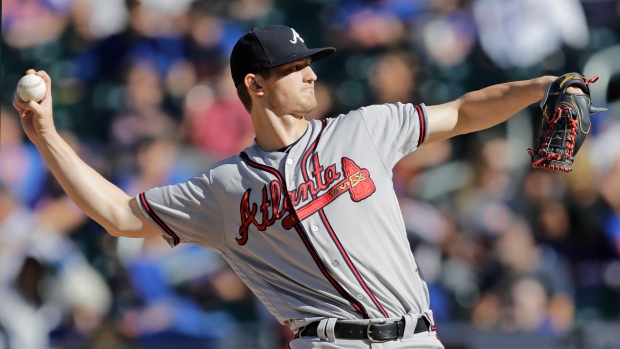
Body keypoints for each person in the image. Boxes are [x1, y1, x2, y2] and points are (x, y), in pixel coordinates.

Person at [14, 24, 583, 349]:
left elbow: (460, 113)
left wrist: (541, 85)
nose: (311, 72)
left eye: (309, 62)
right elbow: (118, 214)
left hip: (415, 338)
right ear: (255, 86)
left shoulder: (365, 128)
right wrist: (45, 137)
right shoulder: (224, 188)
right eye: (294, 67)